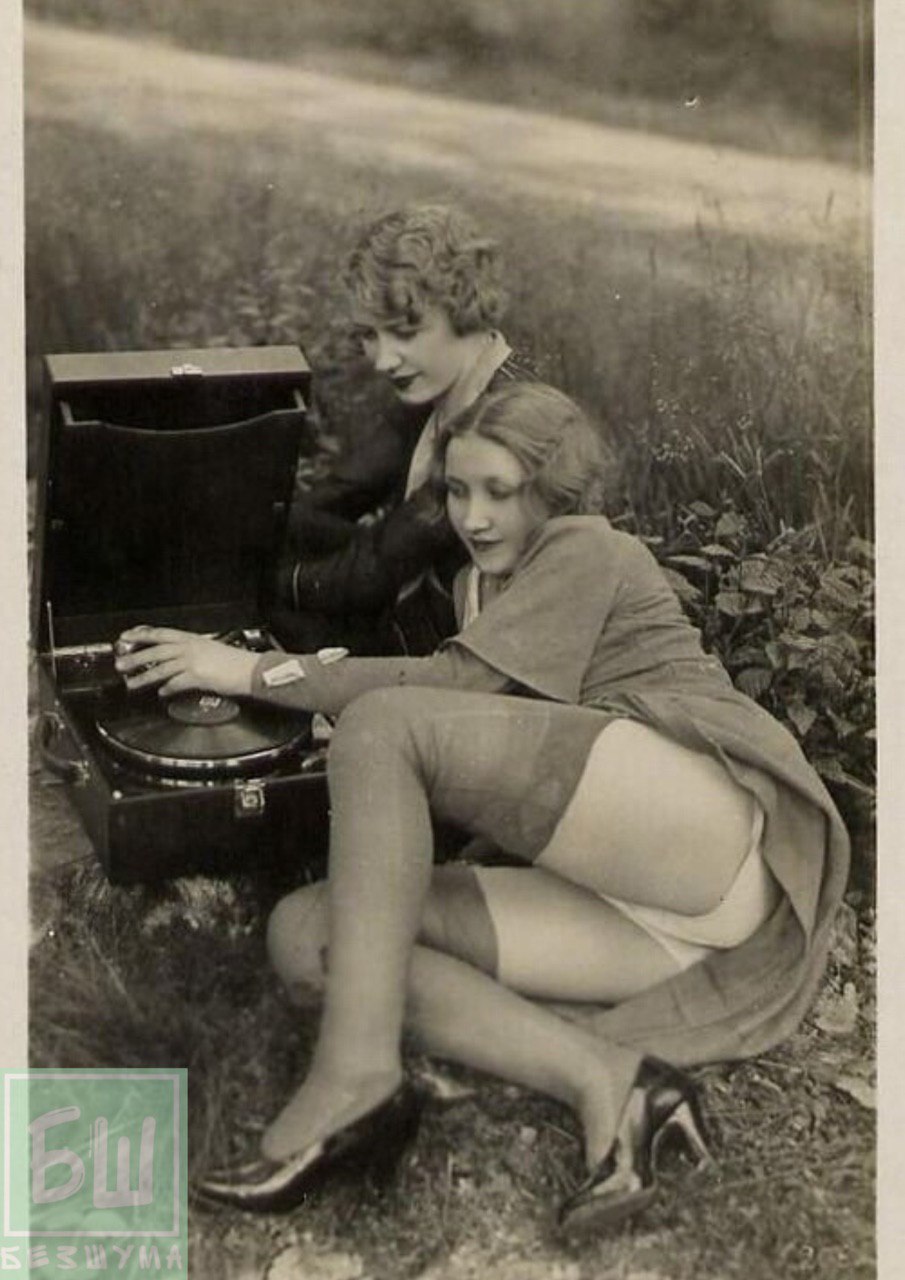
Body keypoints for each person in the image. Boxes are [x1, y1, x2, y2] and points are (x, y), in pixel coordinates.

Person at [115, 383, 849, 1234]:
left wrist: (247, 673)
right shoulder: (480, 589)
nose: (473, 516)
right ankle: (610, 1082)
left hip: (707, 825)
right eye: (458, 491)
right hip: (647, 919)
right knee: (311, 935)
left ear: (553, 490)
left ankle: (353, 1082)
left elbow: (449, 690)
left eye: (500, 491)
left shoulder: (586, 545)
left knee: (383, 724)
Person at [269, 202, 532, 656]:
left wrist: (257, 582)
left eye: (405, 332)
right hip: (422, 605)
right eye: (369, 335)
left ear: (465, 310)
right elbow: (341, 492)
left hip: (478, 654)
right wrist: (244, 529)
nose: (383, 360)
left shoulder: (502, 419)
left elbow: (374, 570)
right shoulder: (442, 386)